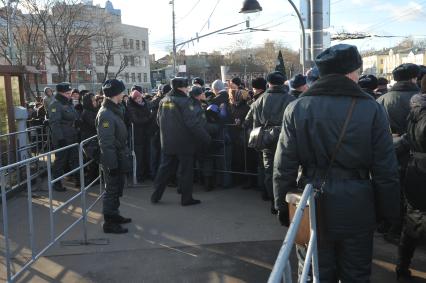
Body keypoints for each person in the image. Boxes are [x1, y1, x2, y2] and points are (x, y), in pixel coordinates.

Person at [273, 44, 400, 282]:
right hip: (358, 202)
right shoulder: (371, 108)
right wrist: (389, 211)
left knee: (314, 271)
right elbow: (385, 169)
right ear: (352, 72)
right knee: (356, 272)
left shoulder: (297, 107)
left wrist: (283, 204)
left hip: (310, 201)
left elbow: (284, 166)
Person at [151, 77, 211, 206]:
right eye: (186, 86)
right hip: (184, 142)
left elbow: (158, 120)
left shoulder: (164, 100)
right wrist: (206, 137)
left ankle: (155, 195)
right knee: (186, 171)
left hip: (167, 140)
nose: (187, 88)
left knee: (164, 169)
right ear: (181, 87)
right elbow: (192, 123)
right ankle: (186, 198)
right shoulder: (184, 101)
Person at [395, 76, 426, 279]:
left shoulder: (416, 109)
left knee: (413, 221)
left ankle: (402, 266)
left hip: (415, 170)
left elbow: (409, 138)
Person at [251, 71, 296, 214]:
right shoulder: (291, 99)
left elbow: (255, 123)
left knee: (269, 171)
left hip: (266, 140)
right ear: (283, 83)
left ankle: (274, 202)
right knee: (287, 171)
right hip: (286, 138)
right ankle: (286, 204)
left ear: (268, 83)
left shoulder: (259, 100)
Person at [96, 79, 132, 234]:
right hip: (113, 158)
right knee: (111, 189)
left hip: (118, 155)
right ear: (116, 93)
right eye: (122, 91)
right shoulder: (106, 114)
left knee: (117, 187)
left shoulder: (114, 109)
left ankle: (114, 215)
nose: (124, 94)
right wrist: (112, 166)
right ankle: (109, 223)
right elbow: (106, 143)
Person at [48, 82, 79, 192]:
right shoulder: (55, 104)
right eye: (67, 93)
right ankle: (56, 183)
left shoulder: (67, 103)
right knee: (60, 161)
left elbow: (73, 116)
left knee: (75, 158)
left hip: (72, 135)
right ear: (60, 93)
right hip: (62, 138)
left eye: (69, 92)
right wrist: (61, 139)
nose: (70, 95)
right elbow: (54, 124)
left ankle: (79, 180)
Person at [377, 63, 420, 135]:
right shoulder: (422, 98)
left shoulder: (381, 99)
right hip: (418, 143)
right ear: (413, 79)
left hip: (391, 143)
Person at [126, 89, 152, 182]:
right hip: (137, 135)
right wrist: (148, 118)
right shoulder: (131, 106)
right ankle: (139, 175)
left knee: (146, 155)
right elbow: (136, 120)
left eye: (139, 97)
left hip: (145, 133)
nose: (139, 100)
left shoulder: (146, 104)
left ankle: (145, 173)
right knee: (139, 157)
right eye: (136, 98)